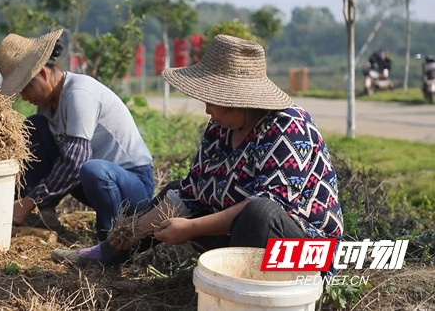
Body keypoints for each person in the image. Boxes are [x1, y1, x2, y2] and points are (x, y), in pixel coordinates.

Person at [52, 34, 344, 274]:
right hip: (244, 244)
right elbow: (192, 192)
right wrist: (133, 230)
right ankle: (110, 253)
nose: (208, 110)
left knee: (259, 215)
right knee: (174, 194)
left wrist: (191, 229)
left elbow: (268, 204)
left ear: (242, 102)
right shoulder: (220, 127)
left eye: (215, 102)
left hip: (307, 255)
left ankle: (240, 296)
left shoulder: (287, 126)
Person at [0, 29, 155, 241]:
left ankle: (110, 242)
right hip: (93, 181)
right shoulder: (47, 105)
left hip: (130, 185)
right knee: (33, 128)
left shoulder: (79, 94)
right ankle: (46, 212)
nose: (24, 97)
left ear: (42, 74)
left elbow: (75, 163)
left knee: (91, 168)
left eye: (24, 89)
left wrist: (27, 203)